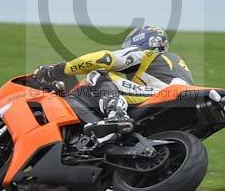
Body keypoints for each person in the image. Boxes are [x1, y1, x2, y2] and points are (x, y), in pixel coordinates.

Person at [33, 25, 193, 140]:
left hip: (162, 95)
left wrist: (59, 70)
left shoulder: (145, 54)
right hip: (181, 104)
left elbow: (104, 58)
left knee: (99, 74)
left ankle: (117, 114)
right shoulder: (174, 63)